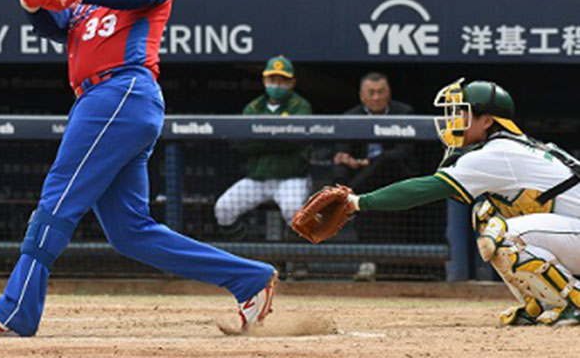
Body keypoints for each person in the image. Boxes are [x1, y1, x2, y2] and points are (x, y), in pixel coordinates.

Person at [0, 0, 277, 337]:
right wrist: (33, 3)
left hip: (120, 89)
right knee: (130, 232)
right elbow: (53, 25)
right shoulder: (83, 9)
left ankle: (15, 310)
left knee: (58, 200)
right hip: (104, 102)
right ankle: (249, 279)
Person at [321, 78, 580, 326]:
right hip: (572, 233)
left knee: (501, 236)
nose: (453, 119)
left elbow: (423, 189)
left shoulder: (498, 153)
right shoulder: (509, 146)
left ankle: (575, 300)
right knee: (485, 213)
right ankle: (544, 305)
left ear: (487, 120)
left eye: (462, 112)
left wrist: (357, 202)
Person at [214, 55, 313, 240]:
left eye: (283, 79)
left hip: (291, 178)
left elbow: (296, 142)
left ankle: (297, 263)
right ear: (264, 80)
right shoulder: (253, 107)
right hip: (258, 179)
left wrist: (262, 139)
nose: (277, 84)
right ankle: (247, 254)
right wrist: (278, 136)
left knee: (295, 213)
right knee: (224, 208)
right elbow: (242, 145)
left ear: (292, 82)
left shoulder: (300, 106)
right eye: (272, 79)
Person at [332, 72, 418, 279]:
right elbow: (341, 153)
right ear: (362, 95)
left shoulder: (403, 113)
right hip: (364, 180)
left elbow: (404, 153)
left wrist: (368, 163)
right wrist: (345, 158)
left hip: (396, 177)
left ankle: (346, 195)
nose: (376, 97)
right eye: (371, 93)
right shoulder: (350, 117)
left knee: (387, 159)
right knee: (351, 184)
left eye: (381, 92)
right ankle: (367, 261)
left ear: (389, 93)